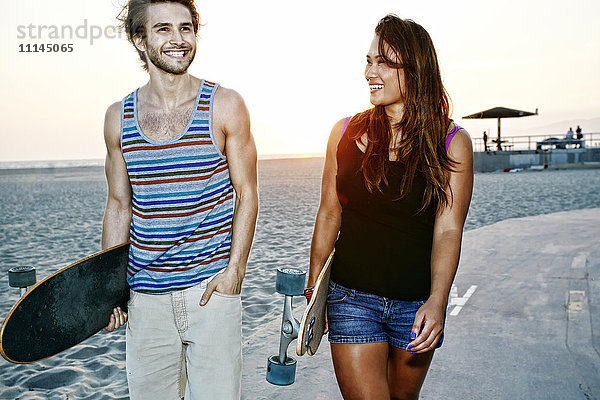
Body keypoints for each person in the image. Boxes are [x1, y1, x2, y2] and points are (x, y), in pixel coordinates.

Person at [308, 15, 473, 399]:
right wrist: (316, 287)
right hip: (351, 297)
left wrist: (438, 300)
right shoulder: (345, 131)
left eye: (383, 61)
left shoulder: (452, 142)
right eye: (368, 60)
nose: (370, 71)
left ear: (414, 70)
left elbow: (448, 229)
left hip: (416, 305)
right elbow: (329, 212)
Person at [101, 1, 258, 399]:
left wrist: (234, 271)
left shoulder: (225, 105)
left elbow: (247, 192)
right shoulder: (118, 118)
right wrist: (108, 288)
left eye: (186, 28)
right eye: (163, 29)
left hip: (210, 293)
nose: (178, 40)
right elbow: (119, 205)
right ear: (140, 39)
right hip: (145, 299)